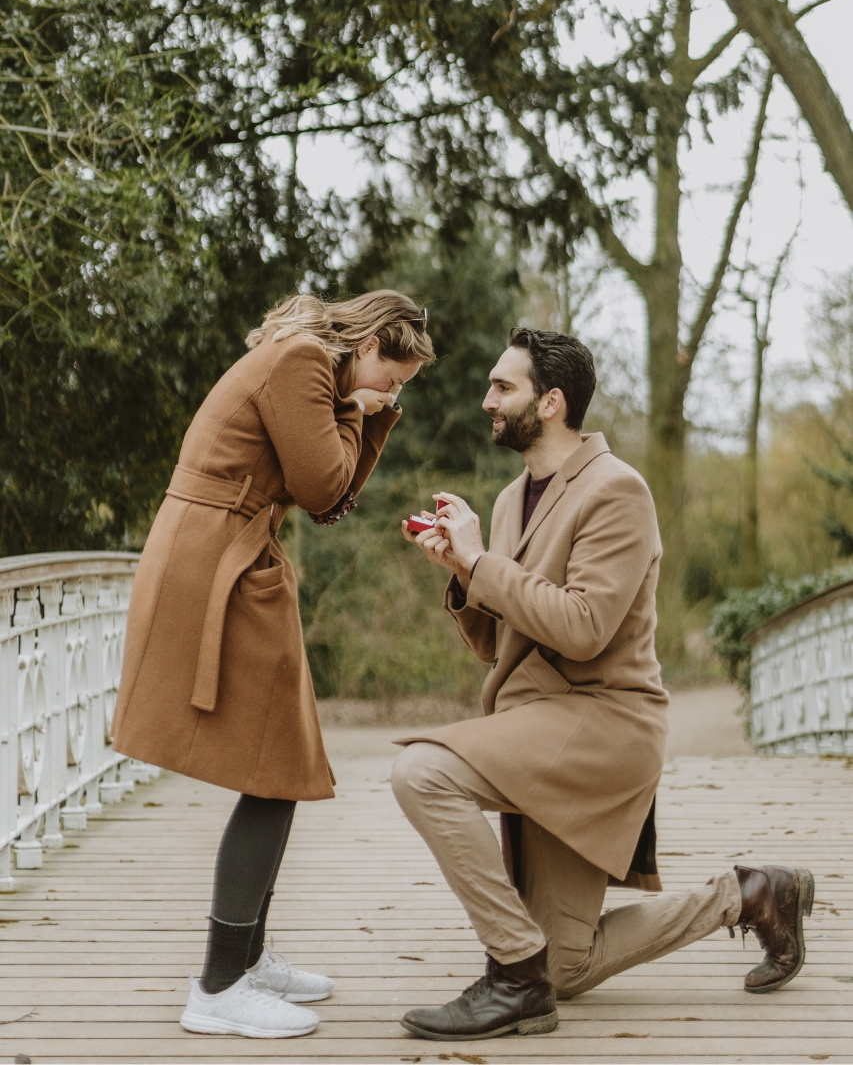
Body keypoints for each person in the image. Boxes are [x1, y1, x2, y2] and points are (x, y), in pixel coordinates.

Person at [394, 326, 814, 1043]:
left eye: (503, 387)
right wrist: (465, 574)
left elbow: (584, 627)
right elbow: (504, 642)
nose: (486, 399)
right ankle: (749, 894)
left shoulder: (617, 490)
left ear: (551, 402)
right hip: (533, 725)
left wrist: (483, 565)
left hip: (601, 723)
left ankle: (512, 977)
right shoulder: (505, 500)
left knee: (420, 770)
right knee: (568, 964)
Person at [111, 290, 433, 1040]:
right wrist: (363, 407)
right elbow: (324, 485)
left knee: (279, 764)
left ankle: (245, 958)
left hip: (232, 550)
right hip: (216, 557)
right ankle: (220, 984)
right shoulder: (301, 362)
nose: (393, 392)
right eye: (394, 375)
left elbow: (328, 497)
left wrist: (366, 410)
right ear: (368, 342)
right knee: (274, 767)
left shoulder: (316, 370)